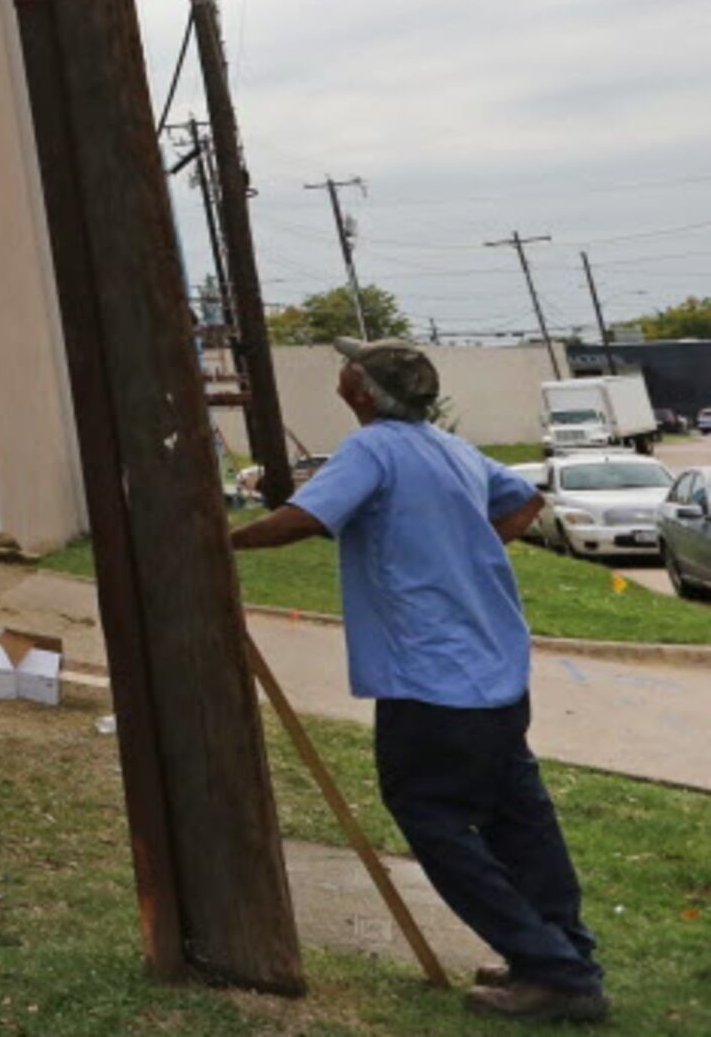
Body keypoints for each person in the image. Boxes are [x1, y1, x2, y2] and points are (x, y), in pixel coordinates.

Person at [231, 338, 606, 1023]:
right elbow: (523, 501)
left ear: (362, 392)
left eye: (350, 366)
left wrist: (220, 541)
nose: (341, 372)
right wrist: (462, 551)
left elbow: (308, 518)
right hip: (494, 669)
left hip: (429, 677)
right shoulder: (450, 449)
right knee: (517, 817)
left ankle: (552, 970)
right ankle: (562, 955)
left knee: (432, 816)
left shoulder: (373, 449)